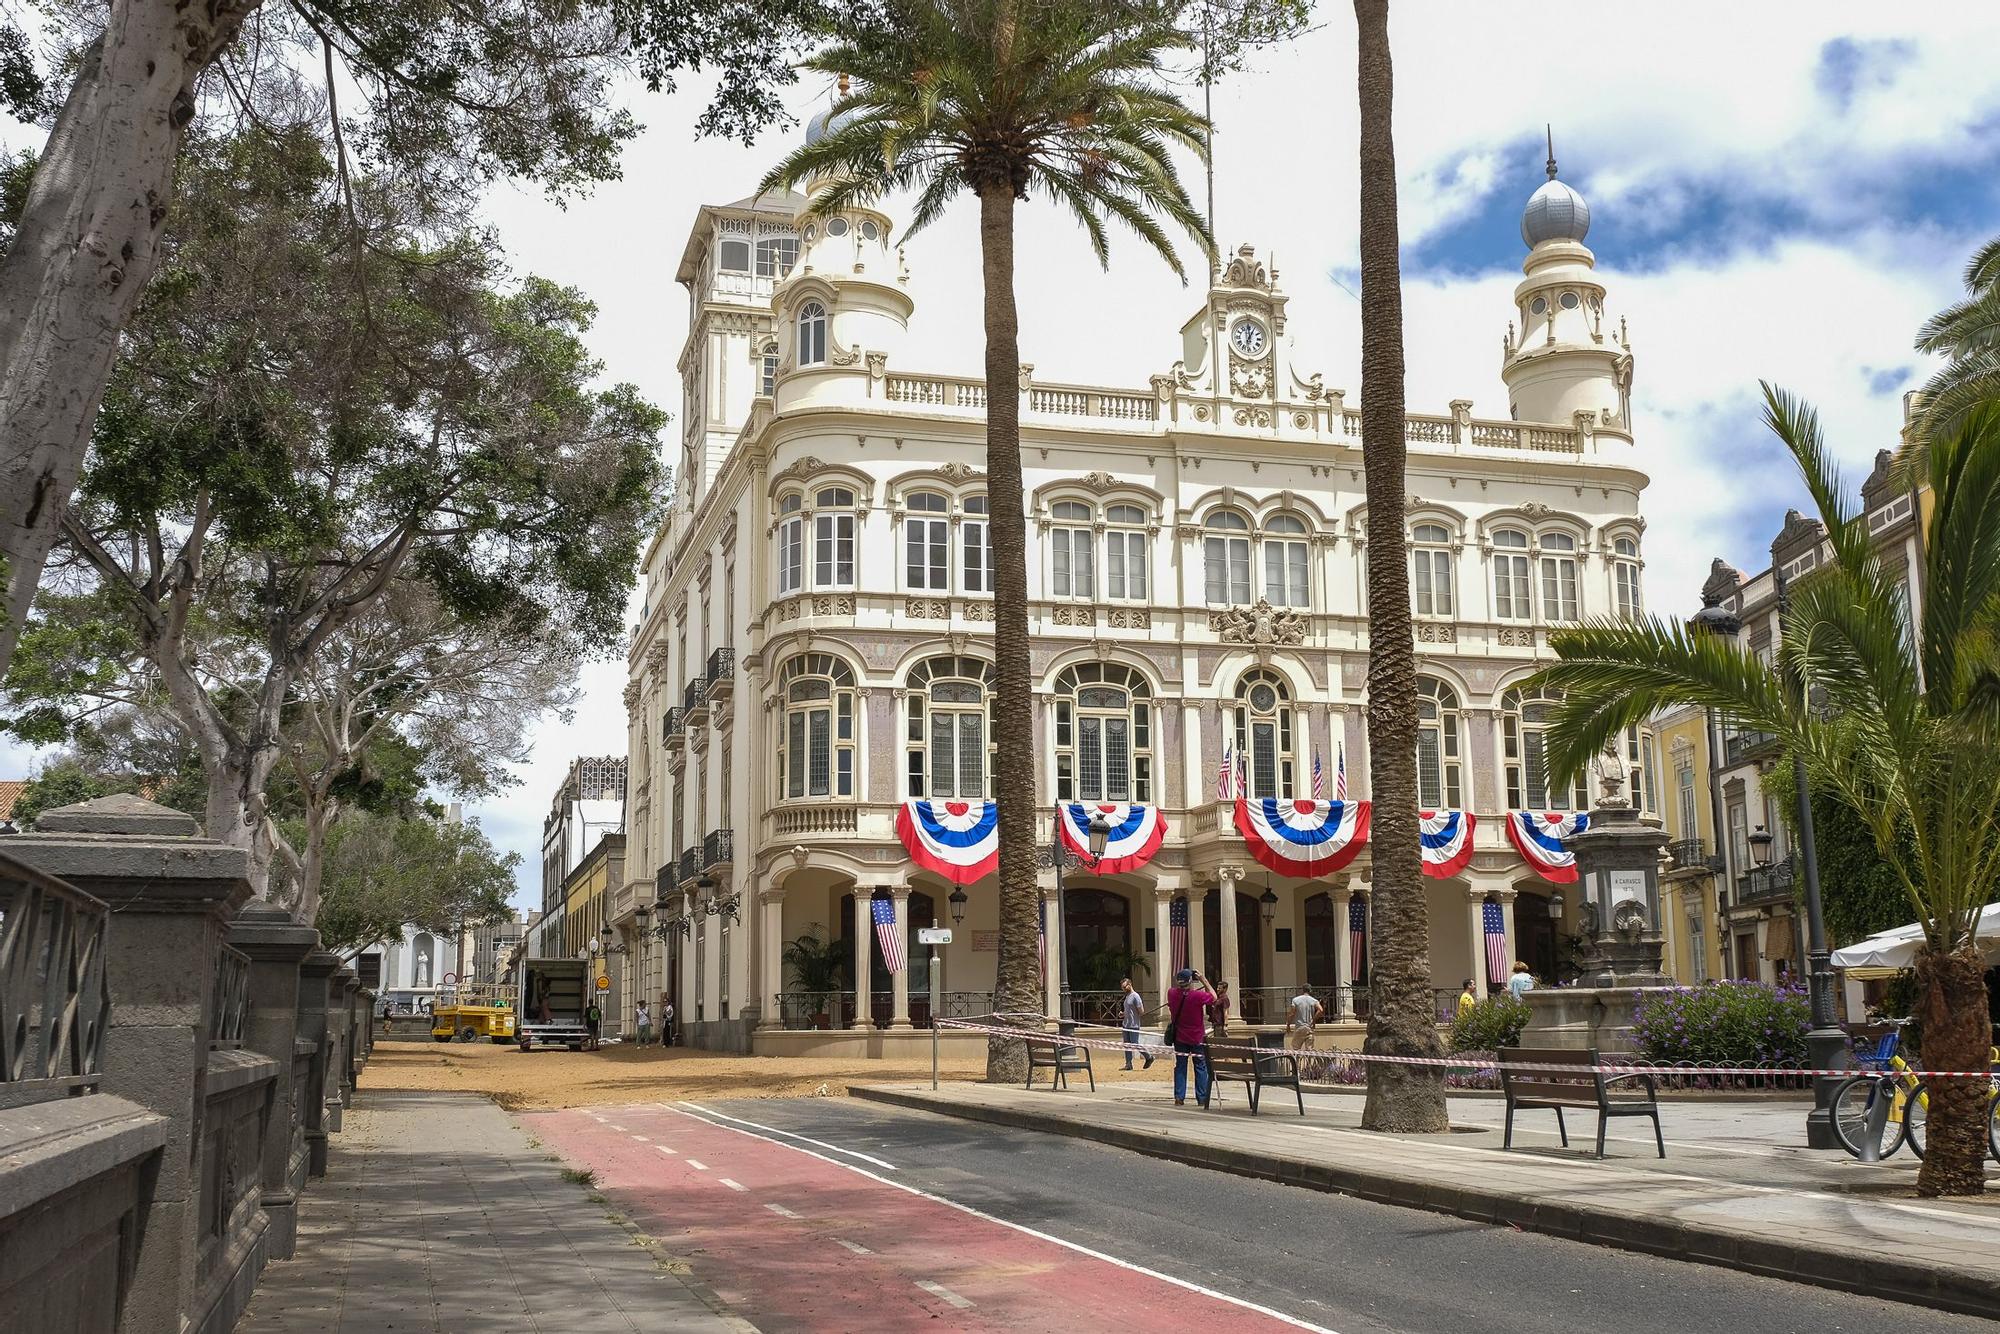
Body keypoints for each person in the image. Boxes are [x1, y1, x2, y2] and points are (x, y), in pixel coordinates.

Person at [1166, 968, 1216, 1107]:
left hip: (1180, 1037)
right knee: (1200, 1066)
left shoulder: (1171, 993)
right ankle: (1201, 1097)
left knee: (1180, 1066)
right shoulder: (1197, 996)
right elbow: (1214, 997)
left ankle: (1179, 1096)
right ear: (1190, 981)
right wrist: (1204, 980)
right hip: (1197, 1037)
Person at [1119, 978, 1152, 1071]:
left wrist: (1138, 1013)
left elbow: (1141, 1011)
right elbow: (1129, 1011)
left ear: (1130, 985)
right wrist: (1123, 1014)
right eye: (1122, 987)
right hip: (1126, 1024)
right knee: (1127, 1045)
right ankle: (1128, 1064)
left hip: (1134, 1025)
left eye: (1125, 987)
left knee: (1135, 1044)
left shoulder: (1135, 996)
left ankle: (1148, 1057)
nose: (1124, 989)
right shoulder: (1127, 997)